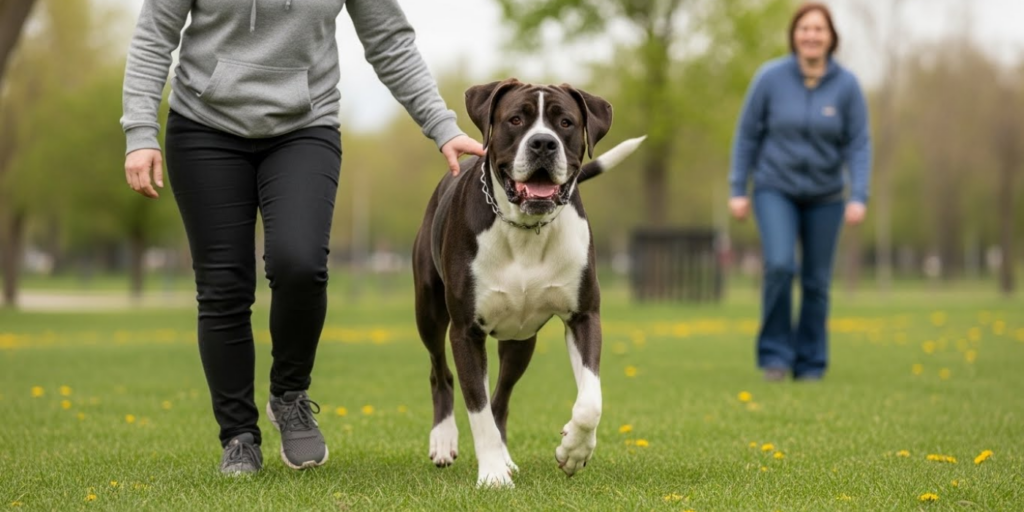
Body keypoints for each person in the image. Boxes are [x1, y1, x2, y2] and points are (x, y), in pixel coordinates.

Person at [120, 1, 484, 474]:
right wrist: (141, 130)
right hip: (203, 127)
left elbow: (389, 41)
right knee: (223, 286)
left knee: (301, 263)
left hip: (303, 127)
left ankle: (289, 394)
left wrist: (442, 126)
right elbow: (154, 35)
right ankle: (239, 437)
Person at [728, 2, 871, 382]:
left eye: (819, 29)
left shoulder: (847, 85)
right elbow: (747, 136)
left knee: (817, 282)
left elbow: (859, 144)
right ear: (794, 36)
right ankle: (774, 357)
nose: (811, 35)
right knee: (778, 266)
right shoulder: (769, 79)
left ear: (830, 37)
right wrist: (738, 188)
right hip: (775, 188)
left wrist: (859, 195)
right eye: (804, 29)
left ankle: (810, 363)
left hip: (827, 195)